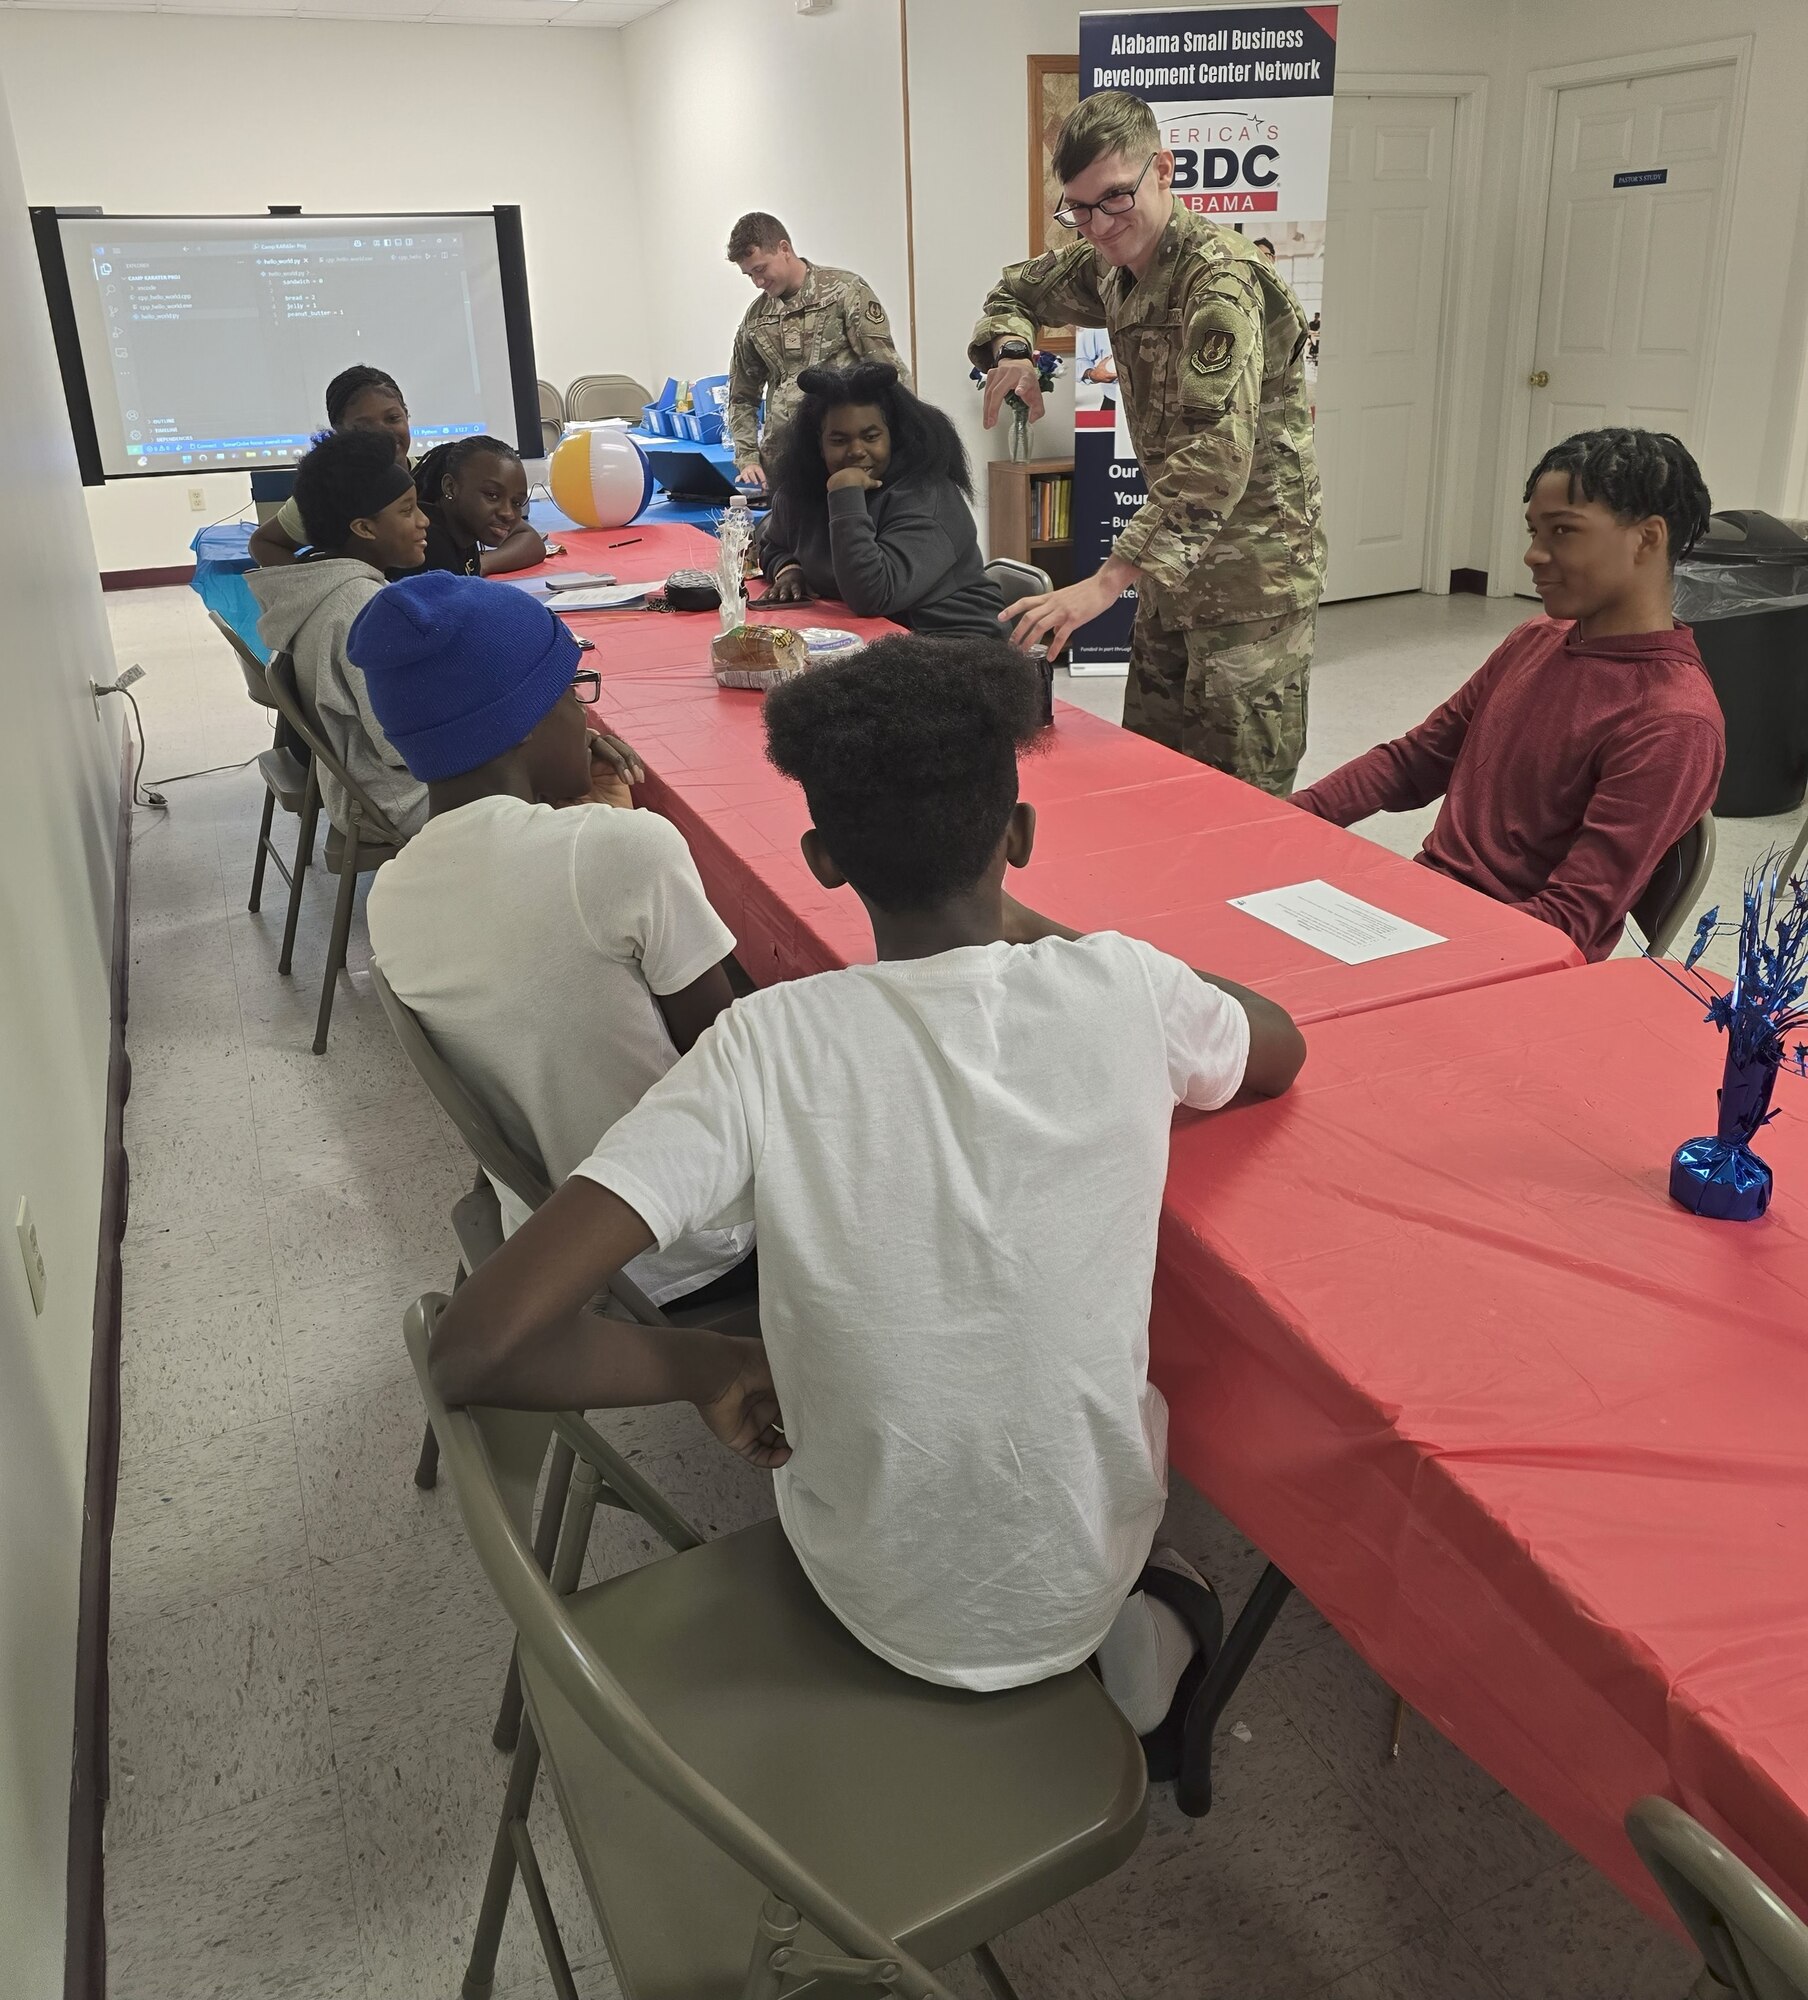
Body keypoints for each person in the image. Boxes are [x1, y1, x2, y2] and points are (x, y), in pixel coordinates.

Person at [426, 635, 1306, 1765]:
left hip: (861, 1588)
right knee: (1137, 1496)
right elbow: (1276, 1046)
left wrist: (704, 1366)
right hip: (1079, 1575)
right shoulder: (1125, 987)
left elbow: (474, 1348)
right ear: (1019, 839)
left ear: (821, 859)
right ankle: (1138, 1628)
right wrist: (1066, 946)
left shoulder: (762, 1047)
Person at [352, 572, 756, 1307]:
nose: (588, 717)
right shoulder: (620, 851)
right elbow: (727, 1056)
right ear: (525, 721)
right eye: (575, 692)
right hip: (696, 1233)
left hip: (550, 1236)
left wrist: (581, 819)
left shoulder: (392, 893)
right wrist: (606, 828)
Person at [970, 90, 1326, 795]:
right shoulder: (1108, 262)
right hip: (1173, 573)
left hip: (1252, 579)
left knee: (1238, 801)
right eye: (1078, 207)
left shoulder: (1219, 281)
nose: (1097, 226)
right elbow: (1014, 289)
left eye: (1114, 199)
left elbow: (1216, 458)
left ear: (1164, 169)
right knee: (1155, 782)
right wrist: (1013, 347)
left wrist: (1105, 583)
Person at [1294, 429, 1726, 962]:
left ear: (1647, 538)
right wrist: (1286, 818)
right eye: (1533, 532)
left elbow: (1567, 922)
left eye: (1563, 532)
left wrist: (1407, 940)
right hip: (1426, 913)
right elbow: (1413, 763)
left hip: (1505, 962)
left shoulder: (1671, 720)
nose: (1533, 555)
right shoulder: (1536, 639)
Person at [248, 428, 432, 839]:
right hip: (398, 801)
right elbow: (401, 746)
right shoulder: (361, 609)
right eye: (407, 511)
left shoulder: (320, 586)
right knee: (559, 774)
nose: (424, 521)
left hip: (364, 790)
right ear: (365, 529)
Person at [759, 363, 1006, 638]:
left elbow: (873, 595)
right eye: (839, 440)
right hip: (872, 640)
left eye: (870, 436)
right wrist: (790, 570)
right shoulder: (805, 490)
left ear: (893, 435)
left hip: (954, 643)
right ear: (820, 443)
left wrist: (845, 495)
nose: (856, 451)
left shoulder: (928, 496)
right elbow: (773, 543)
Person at [724, 211, 909, 488]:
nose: (758, 282)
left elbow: (888, 372)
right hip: (786, 464)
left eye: (761, 269)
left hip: (847, 458)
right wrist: (748, 456)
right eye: (749, 275)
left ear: (784, 249)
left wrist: (907, 449)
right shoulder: (756, 318)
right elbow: (742, 396)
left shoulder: (844, 291)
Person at [249, 365, 411, 567]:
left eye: (393, 418)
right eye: (364, 426)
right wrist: (317, 589)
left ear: (406, 415)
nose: (384, 433)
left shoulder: (433, 472)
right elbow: (263, 543)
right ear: (339, 432)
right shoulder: (329, 495)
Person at [406, 435, 547, 577]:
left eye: (516, 503)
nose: (508, 513)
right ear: (450, 487)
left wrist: (480, 564)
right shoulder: (427, 542)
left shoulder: (465, 531)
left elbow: (530, 539)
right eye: (492, 495)